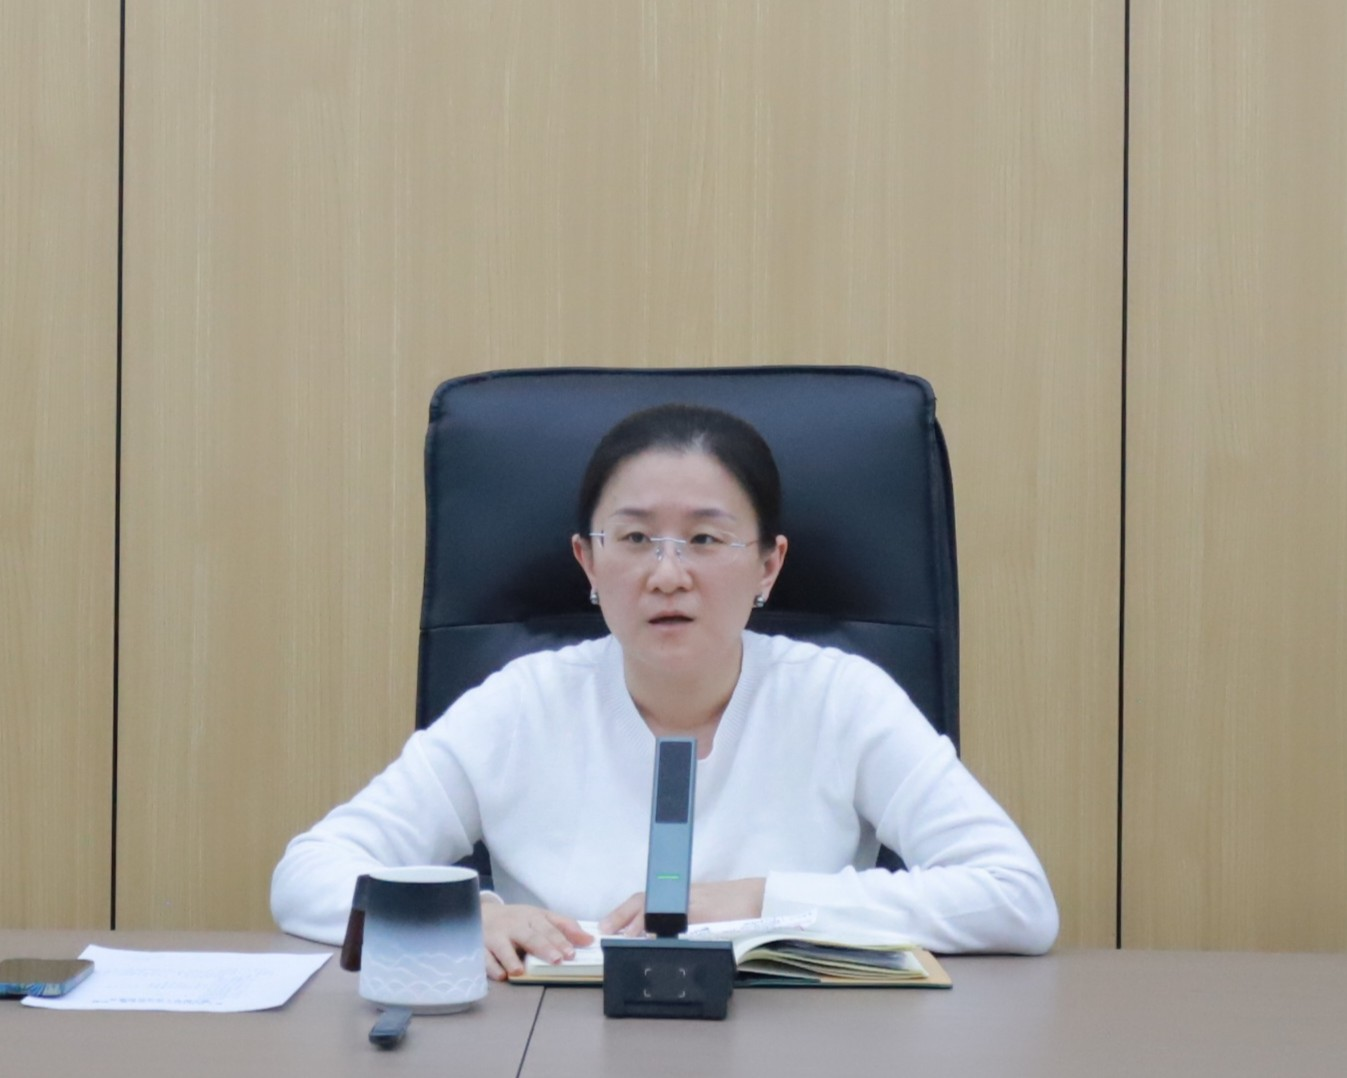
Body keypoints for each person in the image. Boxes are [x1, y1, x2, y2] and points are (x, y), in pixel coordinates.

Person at [271, 403, 1058, 978]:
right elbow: (308, 874)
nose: (668, 574)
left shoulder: (840, 699)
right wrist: (460, 915)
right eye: (635, 538)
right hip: (550, 1044)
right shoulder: (520, 704)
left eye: (706, 539)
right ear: (587, 562)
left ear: (768, 566)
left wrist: (754, 901)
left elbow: (1014, 897)